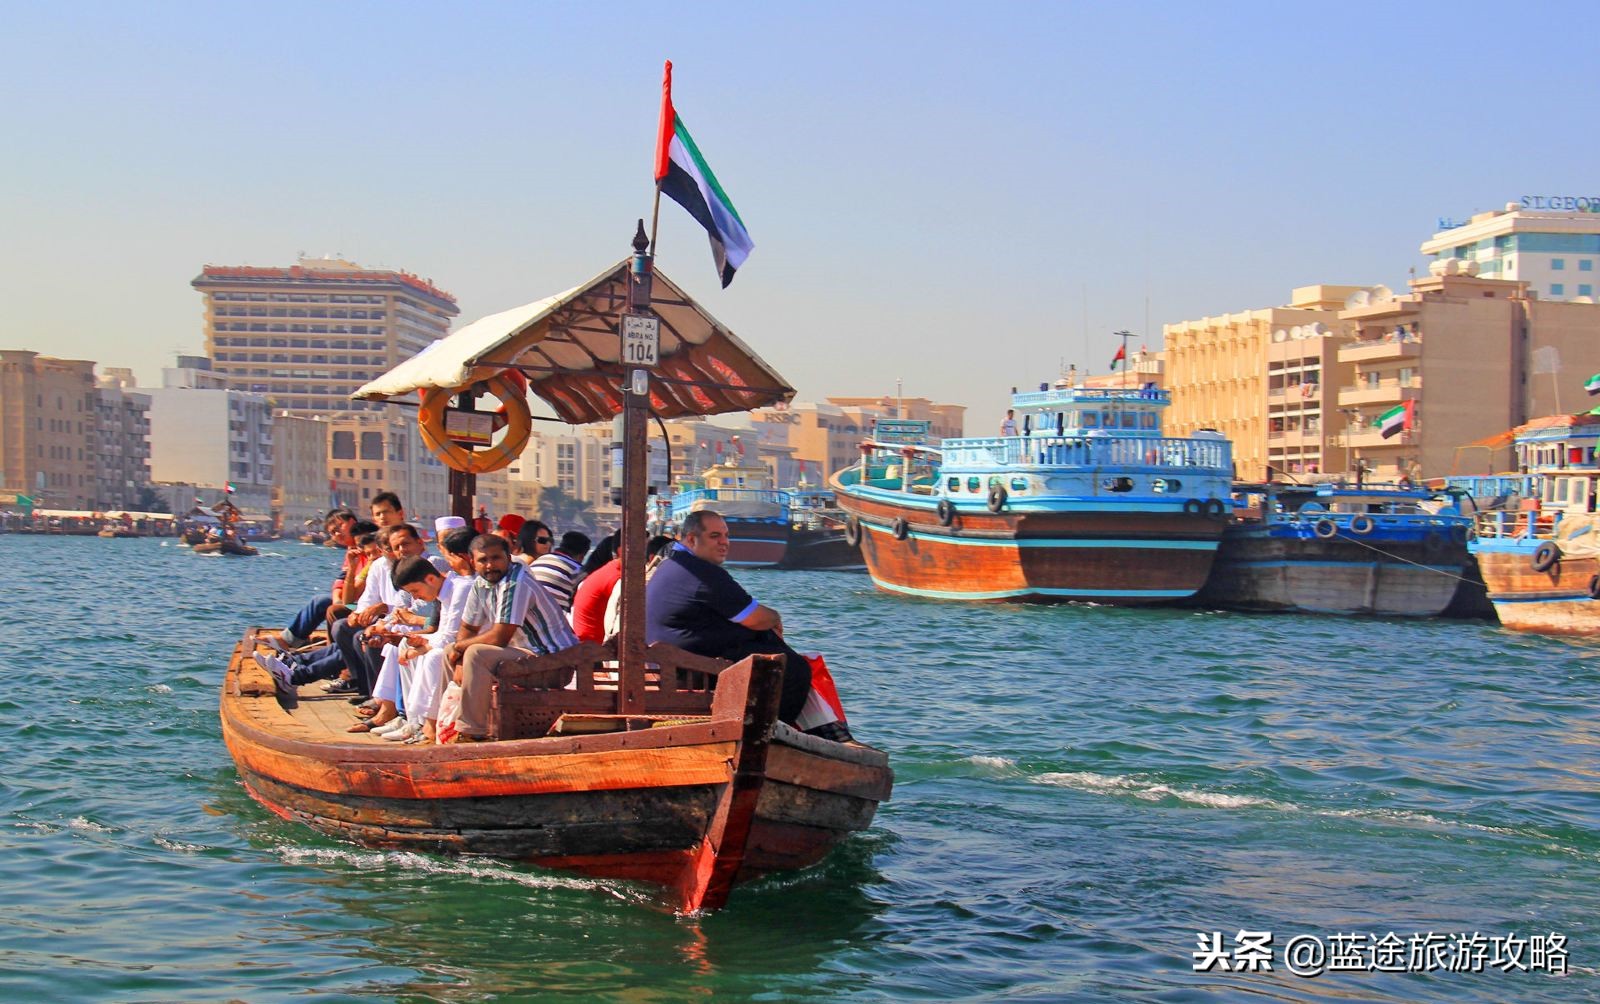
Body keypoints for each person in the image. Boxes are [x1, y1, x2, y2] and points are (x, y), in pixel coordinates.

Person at [645, 510, 835, 734]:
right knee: (794, 668)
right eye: (715, 536)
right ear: (691, 539)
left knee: (767, 642)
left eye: (726, 535)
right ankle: (774, 733)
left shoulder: (672, 564)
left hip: (669, 661)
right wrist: (776, 618)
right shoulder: (701, 574)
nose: (724, 542)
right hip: (688, 669)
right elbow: (755, 617)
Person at [444, 534, 580, 742]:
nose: (490, 565)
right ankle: (445, 725)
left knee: (475, 653)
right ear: (472, 561)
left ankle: (472, 733)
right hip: (524, 657)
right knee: (449, 653)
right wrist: (458, 654)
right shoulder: (481, 584)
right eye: (483, 560)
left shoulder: (516, 583)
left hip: (552, 663)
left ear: (508, 557)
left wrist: (460, 647)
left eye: (496, 558)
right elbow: (468, 627)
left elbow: (499, 637)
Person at [530, 530, 589, 613]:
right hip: (550, 619)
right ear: (581, 557)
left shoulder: (539, 561)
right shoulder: (577, 570)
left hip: (526, 615)